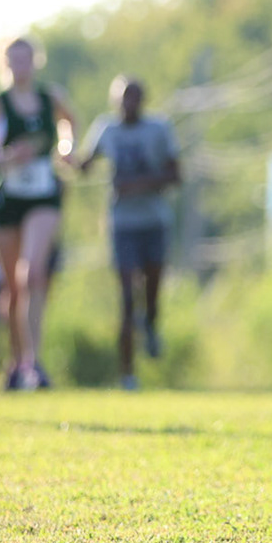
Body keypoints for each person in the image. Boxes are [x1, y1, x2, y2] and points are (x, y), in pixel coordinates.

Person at [0, 38, 76, 391]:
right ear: (3, 63)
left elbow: (71, 121)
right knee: (11, 288)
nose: (20, 64)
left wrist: (67, 150)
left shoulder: (49, 98)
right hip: (6, 200)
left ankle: (33, 364)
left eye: (26, 58)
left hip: (42, 197)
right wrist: (6, 158)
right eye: (13, 59)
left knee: (32, 274)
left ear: (35, 62)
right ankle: (15, 362)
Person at [78, 75, 182, 390]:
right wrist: (68, 155)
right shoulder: (105, 129)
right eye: (124, 98)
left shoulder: (159, 129)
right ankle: (127, 373)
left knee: (151, 286)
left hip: (154, 221)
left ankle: (151, 321)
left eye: (135, 97)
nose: (129, 104)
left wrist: (138, 185)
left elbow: (176, 174)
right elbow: (86, 162)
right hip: (122, 224)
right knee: (125, 297)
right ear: (115, 100)